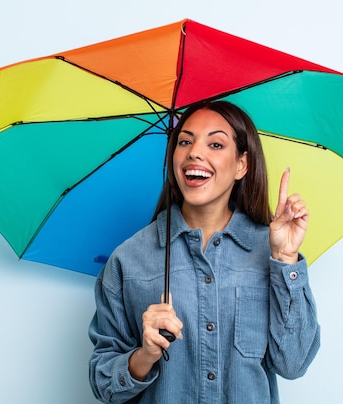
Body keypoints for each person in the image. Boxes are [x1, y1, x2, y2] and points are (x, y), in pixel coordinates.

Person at [89, 101, 320, 403]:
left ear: (242, 164)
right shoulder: (128, 259)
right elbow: (103, 383)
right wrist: (144, 355)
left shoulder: (271, 252)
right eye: (185, 141)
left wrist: (286, 259)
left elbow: (294, 364)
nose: (195, 152)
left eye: (215, 143)